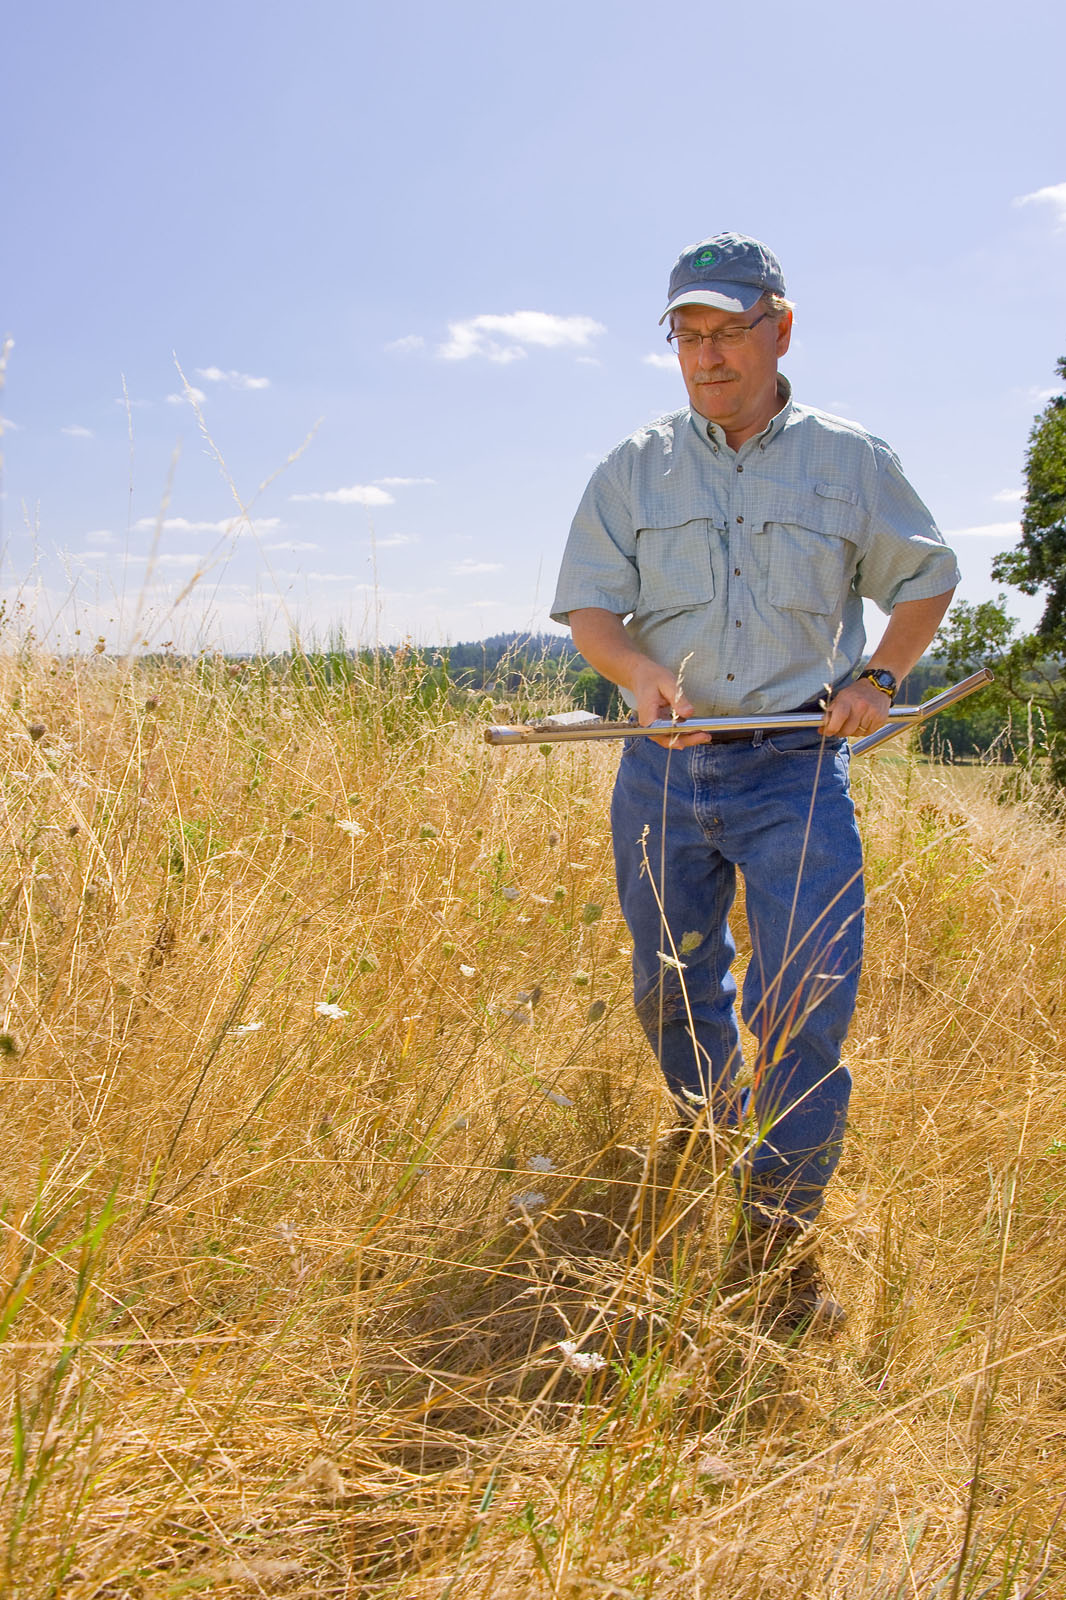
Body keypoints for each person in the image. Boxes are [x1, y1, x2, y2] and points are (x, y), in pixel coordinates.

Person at [550, 232, 960, 1331]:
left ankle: (778, 1252)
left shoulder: (849, 459)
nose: (707, 354)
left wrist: (878, 675)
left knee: (807, 1004)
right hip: (663, 774)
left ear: (780, 328)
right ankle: (719, 1121)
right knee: (671, 985)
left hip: (794, 771)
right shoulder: (633, 467)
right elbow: (592, 608)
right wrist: (636, 674)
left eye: (728, 329)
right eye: (687, 334)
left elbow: (924, 580)